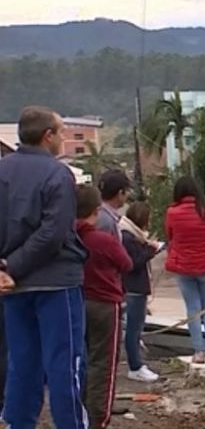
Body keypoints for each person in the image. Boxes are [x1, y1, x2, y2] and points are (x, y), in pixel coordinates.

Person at [0, 106, 89, 428]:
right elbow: (54, 233)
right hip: (55, 283)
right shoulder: (57, 174)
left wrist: (6, 268)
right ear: (47, 135)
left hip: (12, 286)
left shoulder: (3, 170)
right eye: (62, 131)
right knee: (65, 366)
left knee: (21, 366)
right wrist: (13, 264)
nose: (64, 138)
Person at [77, 185, 133, 428]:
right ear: (96, 210)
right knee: (104, 361)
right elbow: (126, 263)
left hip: (77, 301)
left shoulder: (67, 238)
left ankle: (82, 408)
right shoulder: (102, 239)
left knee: (81, 358)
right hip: (105, 303)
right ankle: (99, 415)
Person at [165, 175, 205, 364]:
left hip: (183, 266)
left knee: (193, 309)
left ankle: (198, 351)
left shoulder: (172, 213)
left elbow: (170, 236)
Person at [120, 201, 162, 382]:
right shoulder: (128, 237)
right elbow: (133, 263)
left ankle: (137, 363)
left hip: (136, 287)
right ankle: (135, 365)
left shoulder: (134, 235)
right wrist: (151, 251)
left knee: (136, 328)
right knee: (133, 329)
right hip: (134, 288)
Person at [97, 170, 131, 241]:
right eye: (127, 190)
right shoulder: (106, 222)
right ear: (120, 193)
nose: (128, 194)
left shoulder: (100, 214)